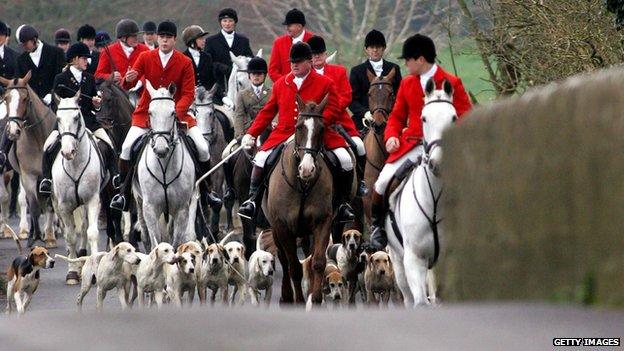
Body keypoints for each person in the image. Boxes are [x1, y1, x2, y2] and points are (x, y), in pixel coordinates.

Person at [369, 34, 473, 249]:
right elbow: (397, 117)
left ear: (421, 59)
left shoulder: (452, 83)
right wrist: (391, 137)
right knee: (381, 182)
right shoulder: (407, 84)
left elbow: (466, 117)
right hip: (412, 144)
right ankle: (378, 227)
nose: (405, 64)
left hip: (445, 147)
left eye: (408, 59)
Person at [109, 21, 221, 212]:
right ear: (158, 38)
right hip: (146, 114)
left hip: (179, 114)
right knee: (127, 147)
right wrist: (128, 79)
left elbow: (188, 94)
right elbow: (130, 82)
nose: (164, 40)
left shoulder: (185, 62)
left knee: (203, 148)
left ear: (174, 40)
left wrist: (174, 113)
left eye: (168, 37)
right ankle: (123, 194)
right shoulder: (145, 57)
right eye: (162, 37)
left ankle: (206, 192)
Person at [237, 42, 354, 223]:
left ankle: (343, 204)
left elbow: (335, 109)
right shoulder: (281, 83)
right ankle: (252, 201)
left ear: (309, 62)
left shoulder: (325, 82)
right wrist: (251, 133)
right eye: (292, 61)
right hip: (283, 133)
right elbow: (268, 111)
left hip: (317, 134)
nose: (294, 65)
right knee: (260, 159)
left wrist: (315, 124)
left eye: (298, 61)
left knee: (345, 159)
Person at [38, 42, 117, 195]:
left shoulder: (89, 78)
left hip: (88, 121)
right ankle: (47, 179)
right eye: (84, 58)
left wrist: (97, 104)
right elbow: (55, 106)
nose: (87, 61)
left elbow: (95, 105)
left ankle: (115, 176)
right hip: (66, 124)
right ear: (74, 59)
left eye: (87, 59)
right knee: (48, 146)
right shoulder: (61, 78)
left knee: (109, 144)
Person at [308, 35, 368, 196]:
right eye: (313, 55)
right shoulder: (305, 76)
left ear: (325, 55)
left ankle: (361, 181)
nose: (316, 57)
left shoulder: (338, 71)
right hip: (313, 123)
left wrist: (331, 110)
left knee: (359, 146)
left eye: (319, 54)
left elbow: (346, 95)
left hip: (340, 122)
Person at [0, 25, 65, 173]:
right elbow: (18, 83)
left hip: (54, 99)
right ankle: (3, 152)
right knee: (13, 118)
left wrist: (52, 94)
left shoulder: (56, 53)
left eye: (25, 43)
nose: (23, 47)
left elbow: (60, 78)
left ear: (34, 40)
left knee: (67, 119)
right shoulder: (22, 59)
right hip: (29, 102)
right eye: (21, 45)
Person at [222, 56, 271, 201]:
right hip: (247, 134)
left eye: (259, 74)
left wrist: (273, 126)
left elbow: (276, 114)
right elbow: (238, 116)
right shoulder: (242, 94)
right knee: (225, 155)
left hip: (267, 132)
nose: (256, 76)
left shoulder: (272, 92)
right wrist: (239, 136)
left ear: (264, 76)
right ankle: (231, 189)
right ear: (249, 76)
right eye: (254, 74)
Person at [349, 29, 402, 131]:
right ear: (366, 49)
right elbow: (352, 100)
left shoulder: (394, 68)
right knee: (355, 145)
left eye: (378, 47)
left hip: (390, 119)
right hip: (364, 120)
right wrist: (365, 112)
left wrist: (392, 114)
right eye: (371, 47)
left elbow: (399, 95)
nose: (375, 50)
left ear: (383, 48)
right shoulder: (357, 71)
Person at [204, 8, 253, 104]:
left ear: (235, 22)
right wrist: (220, 66)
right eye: (224, 21)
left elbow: (250, 59)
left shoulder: (243, 40)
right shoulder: (211, 41)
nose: (227, 24)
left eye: (230, 21)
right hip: (219, 86)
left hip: (240, 84)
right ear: (220, 23)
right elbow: (207, 63)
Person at [95, 19, 149, 88]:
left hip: (140, 92)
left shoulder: (145, 50)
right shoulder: (107, 51)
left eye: (136, 35)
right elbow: (97, 75)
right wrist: (111, 76)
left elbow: (150, 71)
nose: (136, 38)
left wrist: (140, 82)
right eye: (133, 36)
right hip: (118, 93)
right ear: (123, 38)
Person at [268, 8, 314, 83]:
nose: (286, 28)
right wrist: (286, 83)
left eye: (289, 25)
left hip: (310, 88)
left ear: (299, 26)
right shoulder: (279, 43)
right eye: (286, 25)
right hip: (286, 89)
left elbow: (318, 67)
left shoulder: (314, 40)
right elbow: (273, 70)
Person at [182, 25, 217, 91]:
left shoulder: (207, 57)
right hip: (188, 95)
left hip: (206, 96)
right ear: (192, 41)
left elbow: (212, 80)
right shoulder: (182, 58)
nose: (204, 41)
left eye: (203, 38)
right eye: (200, 39)